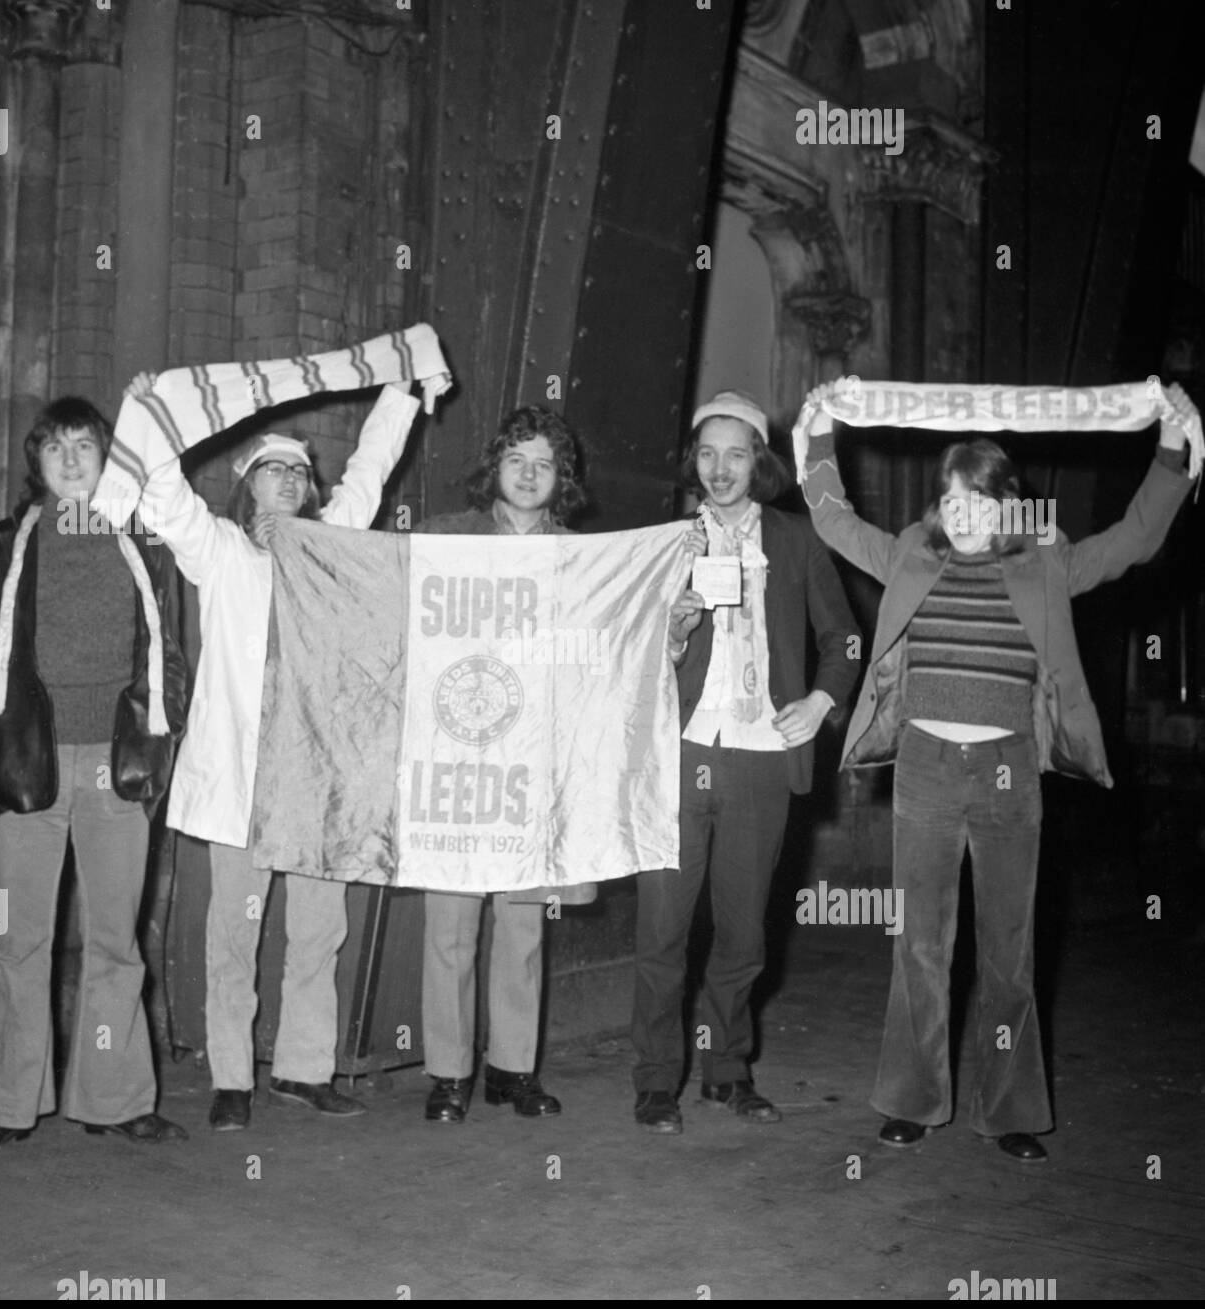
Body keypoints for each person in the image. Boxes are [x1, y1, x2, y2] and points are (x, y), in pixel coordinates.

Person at [799, 377, 1199, 1161]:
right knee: (919, 942)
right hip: (924, 765)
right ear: (937, 509)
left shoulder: (1047, 565)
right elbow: (833, 520)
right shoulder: (910, 556)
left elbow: (1136, 540)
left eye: (980, 501)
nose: (965, 516)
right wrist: (816, 436)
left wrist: (1173, 446)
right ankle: (912, 1100)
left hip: (1009, 769)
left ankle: (1009, 1112)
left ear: (1009, 505)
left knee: (1010, 946)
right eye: (952, 502)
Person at [121, 371, 441, 1130]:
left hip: (317, 778)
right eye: (275, 469)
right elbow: (162, 497)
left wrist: (402, 389)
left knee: (319, 929)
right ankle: (233, 1077)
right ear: (249, 485)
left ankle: (303, 1069)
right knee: (236, 930)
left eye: (300, 471)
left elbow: (370, 468)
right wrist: (149, 414)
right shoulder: (222, 553)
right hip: (241, 779)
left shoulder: (335, 546)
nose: (292, 479)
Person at [0, 397, 189, 1158]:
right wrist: (0, 726)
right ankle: (5, 1105)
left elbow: (170, 660)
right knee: (19, 941)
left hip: (118, 771)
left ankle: (113, 1100)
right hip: (28, 770)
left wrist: (157, 735)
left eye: (87, 446)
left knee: (116, 943)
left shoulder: (146, 550)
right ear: (37, 464)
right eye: (57, 448)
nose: (73, 460)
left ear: (107, 460)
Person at [632, 390, 858, 1134]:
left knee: (743, 931)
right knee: (663, 927)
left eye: (735, 454)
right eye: (707, 453)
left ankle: (727, 1070)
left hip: (763, 758)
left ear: (757, 462)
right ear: (692, 462)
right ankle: (656, 1080)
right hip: (682, 751)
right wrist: (669, 636)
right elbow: (624, 660)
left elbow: (844, 641)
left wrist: (822, 703)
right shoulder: (664, 542)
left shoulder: (796, 539)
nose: (720, 468)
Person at [416, 404, 587, 1122]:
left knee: (522, 920)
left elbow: (596, 653)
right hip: (455, 752)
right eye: (517, 459)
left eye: (543, 463)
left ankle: (512, 1070)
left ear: (561, 478)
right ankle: (448, 1073)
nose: (527, 474)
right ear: (496, 466)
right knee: (450, 920)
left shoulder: (581, 557)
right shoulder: (444, 538)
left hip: (532, 756)